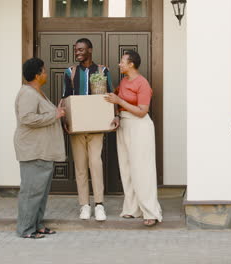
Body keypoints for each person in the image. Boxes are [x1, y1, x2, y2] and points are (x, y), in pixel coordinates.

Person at [104, 50, 162, 227]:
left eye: (122, 61)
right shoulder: (123, 81)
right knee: (127, 167)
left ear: (131, 65)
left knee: (142, 169)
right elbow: (121, 106)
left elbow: (142, 111)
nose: (119, 64)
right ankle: (132, 208)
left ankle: (150, 211)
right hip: (125, 125)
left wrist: (119, 102)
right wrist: (117, 116)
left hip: (140, 126)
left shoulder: (142, 83)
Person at [62, 38, 116, 221]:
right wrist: (65, 121)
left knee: (95, 162)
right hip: (76, 127)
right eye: (76, 50)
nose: (77, 52)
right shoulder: (69, 72)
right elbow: (66, 98)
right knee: (80, 166)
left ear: (90, 50)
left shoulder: (103, 70)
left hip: (96, 125)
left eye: (81, 50)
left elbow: (111, 94)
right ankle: (84, 205)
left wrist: (115, 115)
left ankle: (99, 204)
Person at [14, 57, 66, 239]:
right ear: (37, 75)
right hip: (33, 151)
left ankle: (37, 225)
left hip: (43, 151)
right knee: (31, 192)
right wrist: (55, 115)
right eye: (43, 71)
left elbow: (46, 114)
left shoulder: (38, 92)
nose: (45, 74)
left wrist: (55, 112)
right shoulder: (28, 93)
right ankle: (26, 229)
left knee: (40, 193)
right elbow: (27, 118)